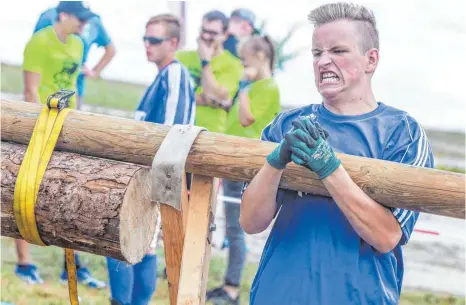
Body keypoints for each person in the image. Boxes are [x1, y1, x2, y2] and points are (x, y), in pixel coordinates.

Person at [240, 3, 434, 305]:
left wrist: (328, 167)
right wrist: (275, 161)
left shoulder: (404, 134)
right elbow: (251, 222)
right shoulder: (285, 125)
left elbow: (386, 237)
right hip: (276, 295)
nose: (323, 61)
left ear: (371, 60)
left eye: (338, 51)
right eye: (317, 53)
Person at [106, 14, 195, 305]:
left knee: (131, 245)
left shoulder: (174, 74)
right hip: (146, 177)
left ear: (174, 42)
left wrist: (157, 190)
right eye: (145, 39)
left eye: (154, 40)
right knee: (136, 247)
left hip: (157, 178)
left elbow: (174, 131)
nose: (147, 45)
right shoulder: (162, 76)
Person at [17, 1, 105, 289]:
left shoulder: (79, 44)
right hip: (41, 127)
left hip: (69, 128)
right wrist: (37, 131)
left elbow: (73, 84)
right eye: (80, 20)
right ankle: (24, 265)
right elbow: (30, 91)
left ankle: (73, 267)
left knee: (71, 193)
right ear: (63, 16)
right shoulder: (38, 43)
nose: (83, 25)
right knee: (24, 192)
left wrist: (77, 123)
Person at [206, 35, 281, 305]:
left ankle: (232, 288)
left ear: (260, 56)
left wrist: (246, 87)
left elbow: (247, 118)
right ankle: (228, 284)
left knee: (237, 229)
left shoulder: (267, 87)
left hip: (247, 163)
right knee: (229, 226)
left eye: (245, 58)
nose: (242, 63)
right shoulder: (259, 86)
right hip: (234, 159)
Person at [33, 1, 116, 109]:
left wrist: (94, 72)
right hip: (45, 88)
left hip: (75, 90)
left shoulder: (94, 21)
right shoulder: (49, 16)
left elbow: (110, 50)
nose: (83, 23)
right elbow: (35, 50)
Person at [176, 10, 243, 134]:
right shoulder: (180, 57)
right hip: (177, 128)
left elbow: (218, 96)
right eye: (204, 31)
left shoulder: (234, 65)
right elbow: (171, 94)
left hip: (209, 134)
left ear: (225, 35)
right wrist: (208, 100)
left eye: (212, 33)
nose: (206, 37)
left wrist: (205, 62)